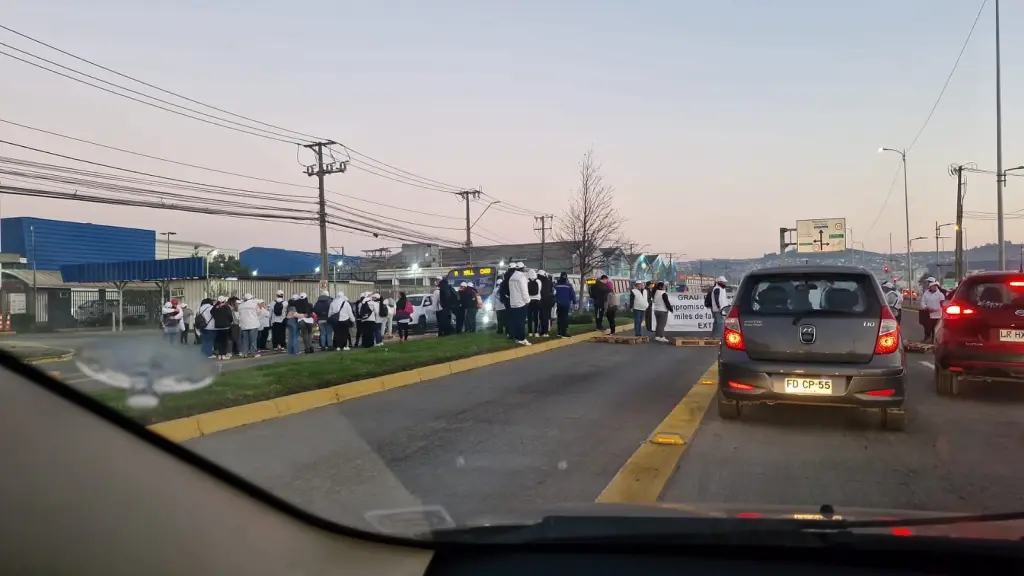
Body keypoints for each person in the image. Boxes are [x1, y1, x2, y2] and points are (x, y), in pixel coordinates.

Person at [508, 261, 531, 345]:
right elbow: (524, 290)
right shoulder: (521, 277)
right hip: (521, 303)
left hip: (513, 302)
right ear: (522, 268)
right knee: (521, 321)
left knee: (515, 321)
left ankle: (516, 337)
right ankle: (522, 338)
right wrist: (527, 301)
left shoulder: (512, 277)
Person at [237, 293, 261, 358]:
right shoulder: (254, 304)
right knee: (253, 339)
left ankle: (244, 353)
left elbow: (239, 313)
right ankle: (254, 353)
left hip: (244, 324)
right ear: (251, 298)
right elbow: (259, 312)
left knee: (245, 339)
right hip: (253, 324)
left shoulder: (240, 306)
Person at [554, 271, 576, 338]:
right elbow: (572, 294)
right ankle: (564, 332)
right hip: (566, 304)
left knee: (560, 318)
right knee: (565, 318)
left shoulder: (556, 285)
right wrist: (574, 302)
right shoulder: (569, 285)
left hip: (559, 303)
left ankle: (559, 332)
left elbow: (554, 294)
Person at [537, 270, 554, 337]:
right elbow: (552, 291)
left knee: (541, 317)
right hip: (548, 302)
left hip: (540, 301)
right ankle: (545, 332)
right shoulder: (549, 282)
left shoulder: (539, 281)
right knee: (546, 317)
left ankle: (541, 331)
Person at [526, 269, 541, 337]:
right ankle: (536, 332)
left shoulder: (526, 281)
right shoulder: (538, 281)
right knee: (536, 317)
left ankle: (529, 332)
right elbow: (540, 290)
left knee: (529, 317)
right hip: (537, 300)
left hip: (529, 301)